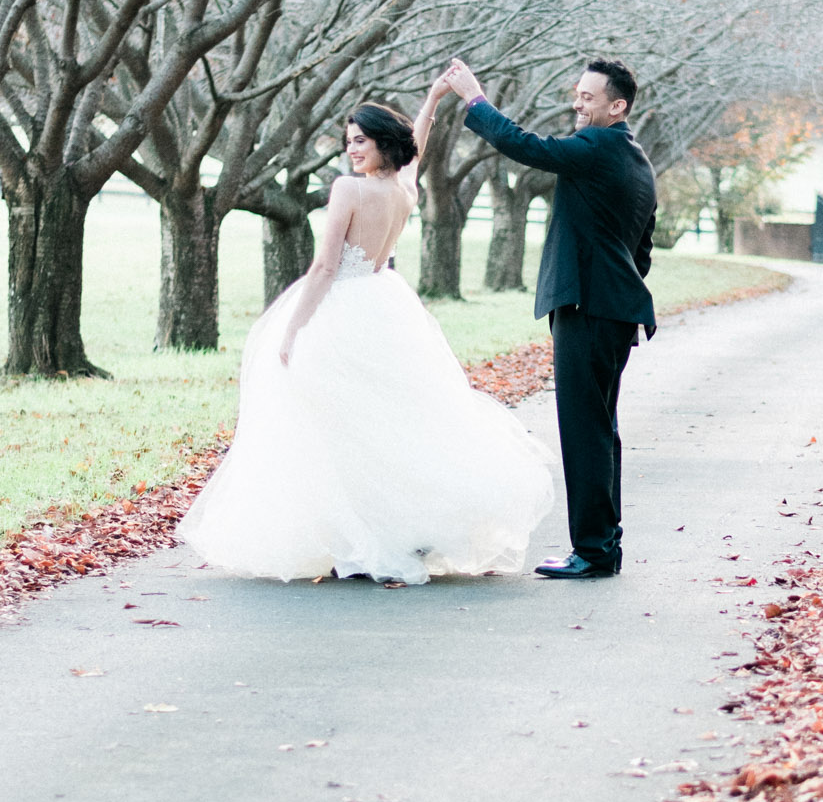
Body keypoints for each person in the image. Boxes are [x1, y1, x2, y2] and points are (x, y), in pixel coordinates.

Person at [176, 86, 554, 586]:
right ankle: (384, 532)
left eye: (361, 141)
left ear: (382, 144)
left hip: (343, 310)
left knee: (341, 425)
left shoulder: (348, 191)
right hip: (387, 303)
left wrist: (292, 328)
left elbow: (326, 265)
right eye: (348, 141)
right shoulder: (404, 189)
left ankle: (361, 537)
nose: (351, 149)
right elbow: (416, 143)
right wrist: (436, 97)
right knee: (388, 423)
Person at [441, 55, 656, 580]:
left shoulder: (599, 146)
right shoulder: (635, 159)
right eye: (577, 93)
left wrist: (474, 98)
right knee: (600, 431)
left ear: (617, 106)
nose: (577, 103)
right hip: (614, 308)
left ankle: (593, 551)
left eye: (587, 97)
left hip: (588, 307)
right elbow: (642, 248)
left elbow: (526, 147)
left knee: (585, 431)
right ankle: (602, 547)